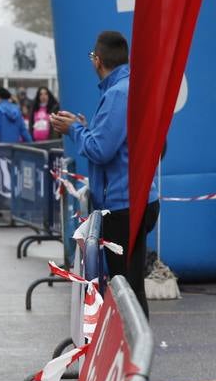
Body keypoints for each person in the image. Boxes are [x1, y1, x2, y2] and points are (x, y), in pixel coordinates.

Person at [49, 30, 159, 316]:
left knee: (126, 289)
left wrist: (73, 129)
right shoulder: (129, 87)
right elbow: (114, 141)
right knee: (129, 286)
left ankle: (135, 353)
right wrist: (84, 127)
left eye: (91, 57)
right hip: (134, 197)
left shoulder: (118, 93)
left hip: (123, 203)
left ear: (97, 60)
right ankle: (134, 350)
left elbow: (101, 150)